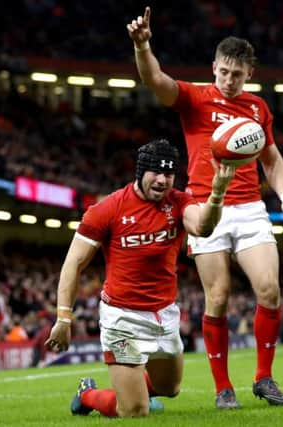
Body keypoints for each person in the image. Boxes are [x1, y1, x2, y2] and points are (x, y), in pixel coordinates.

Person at [127, 7, 283, 409]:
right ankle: (223, 387)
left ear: (249, 74)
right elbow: (154, 80)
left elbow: (271, 159)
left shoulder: (257, 109)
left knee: (269, 290)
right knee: (218, 296)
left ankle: (263, 378)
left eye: (236, 74)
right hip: (205, 208)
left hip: (251, 207)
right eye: (223, 72)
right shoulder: (195, 96)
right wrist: (143, 46)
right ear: (214, 67)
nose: (228, 80)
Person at [44, 139, 235, 417]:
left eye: (168, 174)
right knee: (134, 411)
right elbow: (73, 264)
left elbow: (202, 227)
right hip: (122, 317)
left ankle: (135, 391)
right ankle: (87, 395)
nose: (161, 180)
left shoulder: (180, 202)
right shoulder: (107, 209)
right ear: (140, 171)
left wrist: (217, 193)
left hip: (164, 314)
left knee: (170, 388)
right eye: (155, 172)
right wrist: (63, 318)